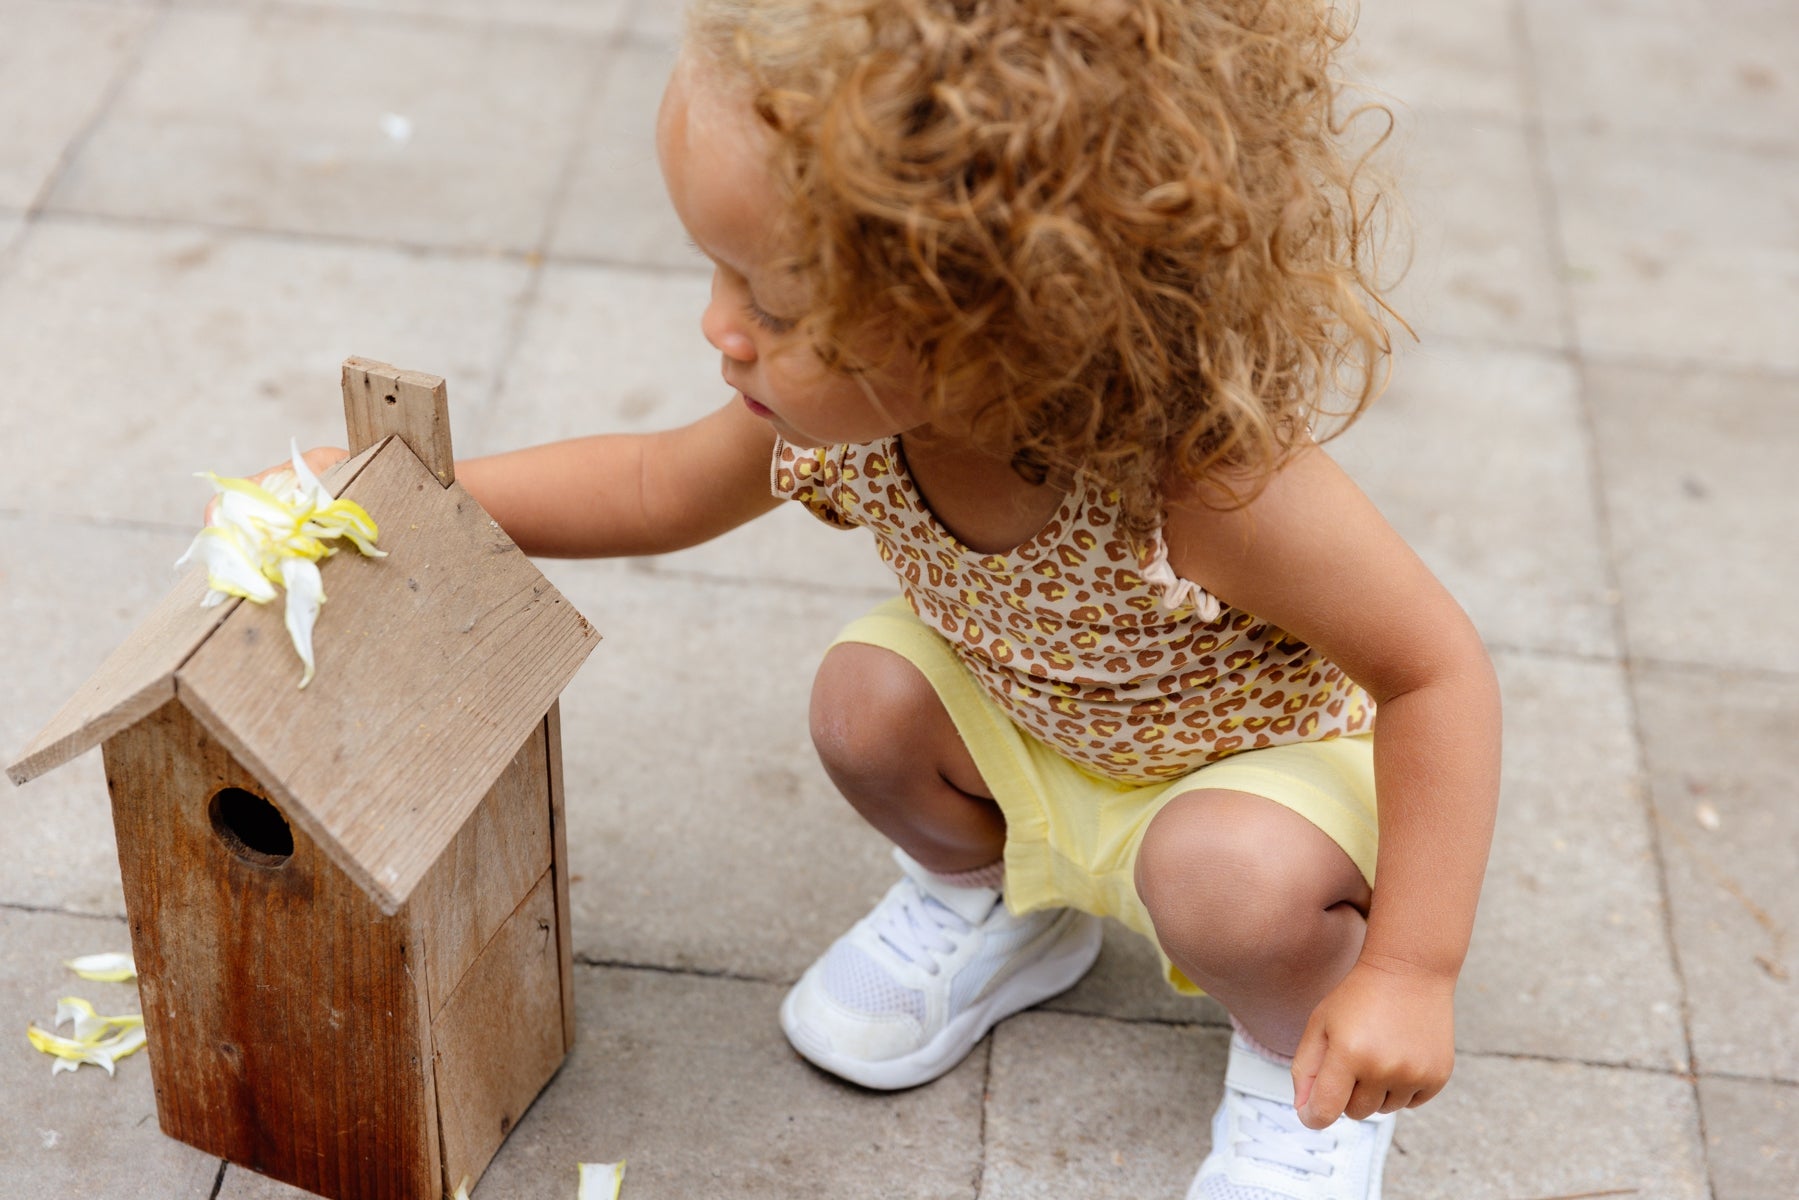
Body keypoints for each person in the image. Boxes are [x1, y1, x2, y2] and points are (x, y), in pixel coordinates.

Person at [283, 2, 1501, 1196]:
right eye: (720, 272)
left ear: (998, 317)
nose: (718, 326)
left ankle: (1305, 1059)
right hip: (1038, 733)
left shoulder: (1205, 482)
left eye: (773, 301)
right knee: (863, 702)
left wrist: (1409, 970)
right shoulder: (851, 422)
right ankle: (994, 906)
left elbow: (1434, 670)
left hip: (1254, 777)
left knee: (1227, 884)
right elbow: (654, 485)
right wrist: (407, 495)